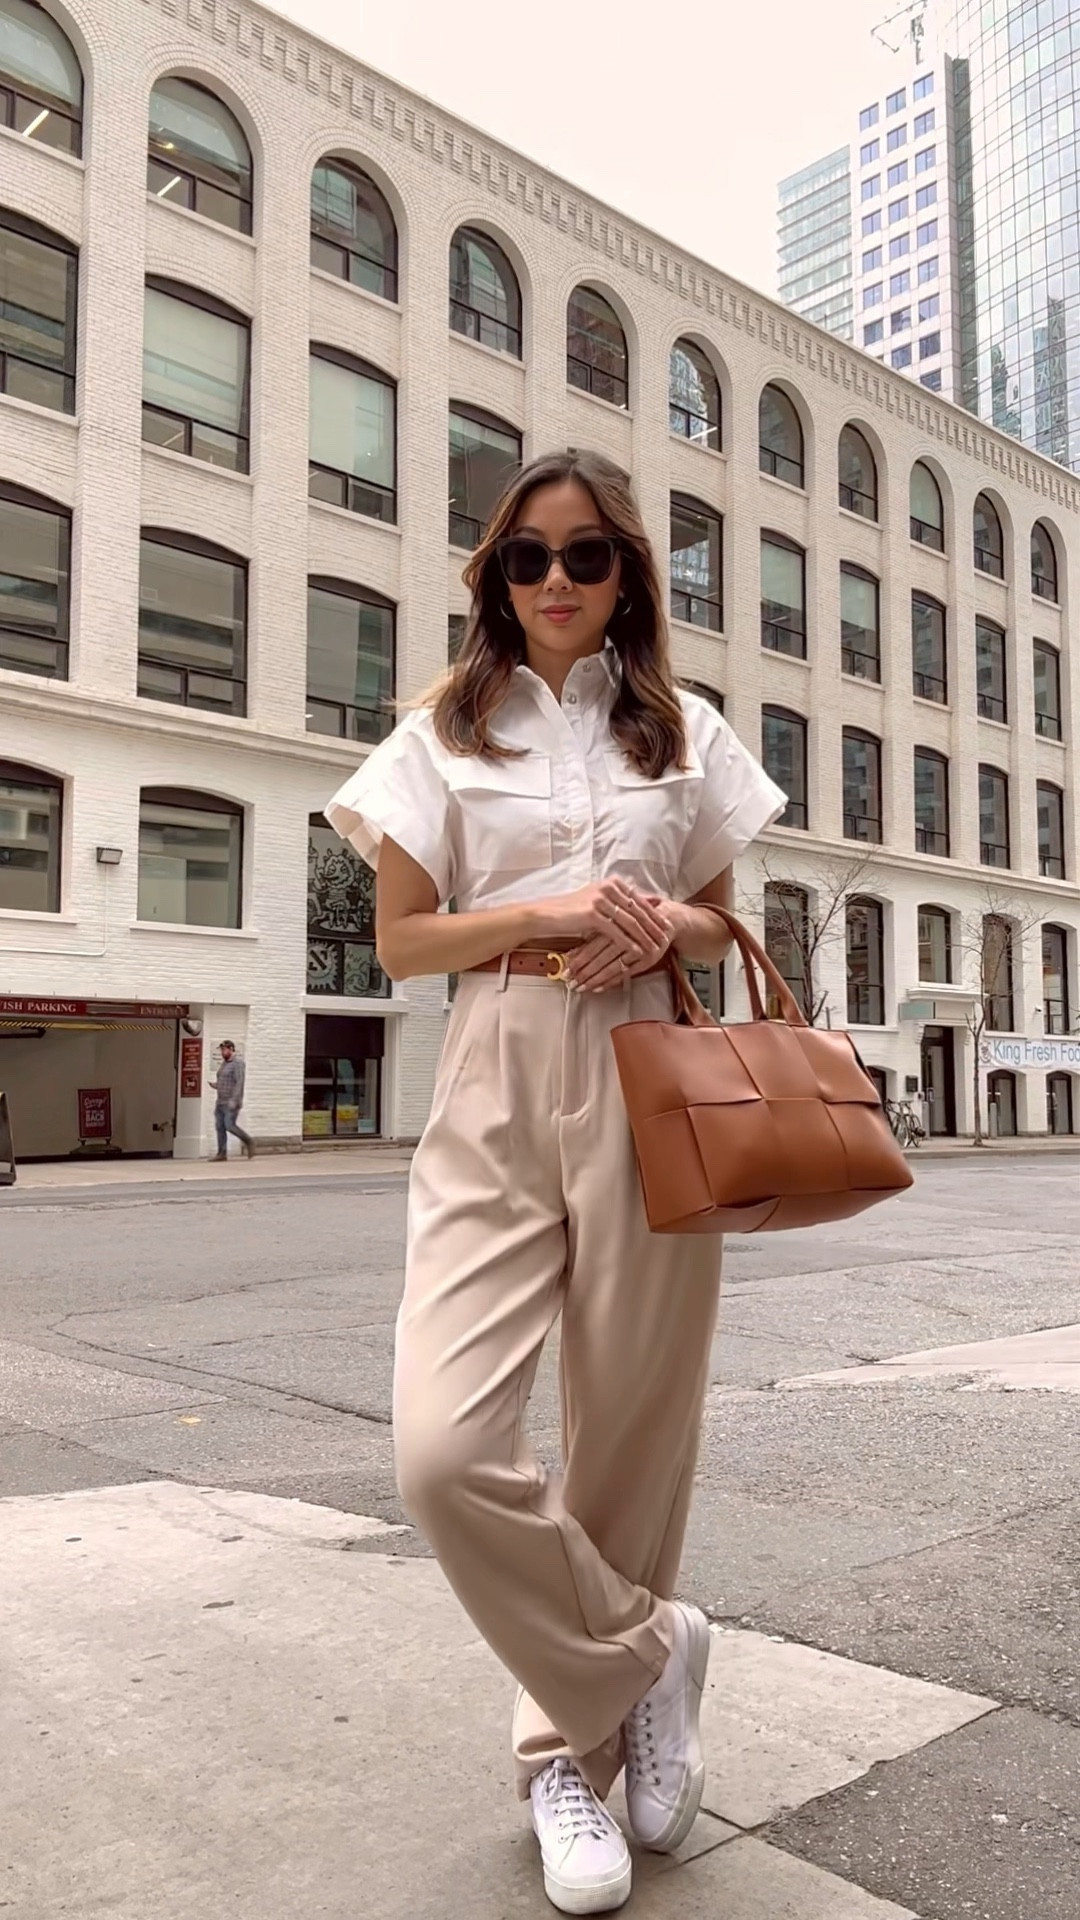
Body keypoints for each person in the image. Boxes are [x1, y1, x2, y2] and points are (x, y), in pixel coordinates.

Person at [327, 449, 784, 1914]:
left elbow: (724, 923)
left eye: (588, 557)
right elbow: (402, 944)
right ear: (495, 579)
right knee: (444, 1453)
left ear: (627, 576)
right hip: (499, 1070)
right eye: (529, 559)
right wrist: (555, 909)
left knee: (629, 1440)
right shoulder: (437, 734)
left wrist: (656, 931)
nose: (559, 583)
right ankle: (652, 1650)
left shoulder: (685, 733)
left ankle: (562, 1765)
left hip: (656, 1073)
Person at [209, 1040, 254, 1161]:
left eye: (224, 1050)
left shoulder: (237, 1064)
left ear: (231, 1049)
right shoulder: (224, 1064)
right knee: (220, 1127)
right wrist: (216, 1085)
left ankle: (248, 1141)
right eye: (221, 1050)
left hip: (231, 1102)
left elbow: (239, 1082)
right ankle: (221, 1153)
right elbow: (225, 1080)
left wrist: (235, 1100)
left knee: (229, 1125)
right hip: (220, 1101)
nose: (222, 1052)